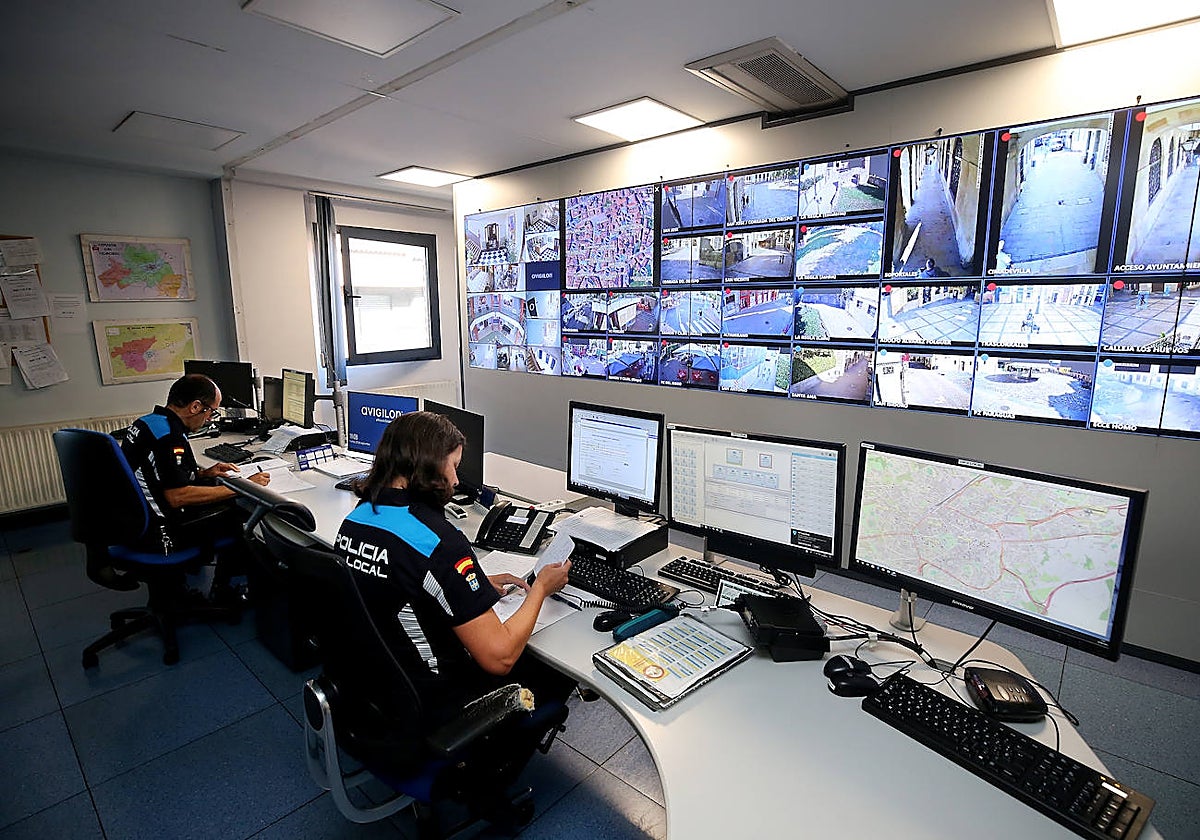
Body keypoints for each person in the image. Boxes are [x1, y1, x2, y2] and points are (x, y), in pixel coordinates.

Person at [335, 412, 576, 724]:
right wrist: (541, 588)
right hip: (431, 704)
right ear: (430, 464)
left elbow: (396, 584)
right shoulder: (439, 541)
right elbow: (499, 658)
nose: (457, 480)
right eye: (454, 466)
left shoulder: (359, 516)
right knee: (548, 667)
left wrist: (471, 583)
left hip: (371, 687)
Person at [120, 373, 270, 602]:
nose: (210, 419)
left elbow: (158, 474)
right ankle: (224, 592)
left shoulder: (151, 423)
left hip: (133, 519)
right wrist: (244, 488)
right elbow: (177, 497)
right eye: (211, 411)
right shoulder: (170, 437)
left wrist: (204, 473)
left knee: (223, 496)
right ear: (195, 407)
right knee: (242, 515)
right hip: (158, 531)